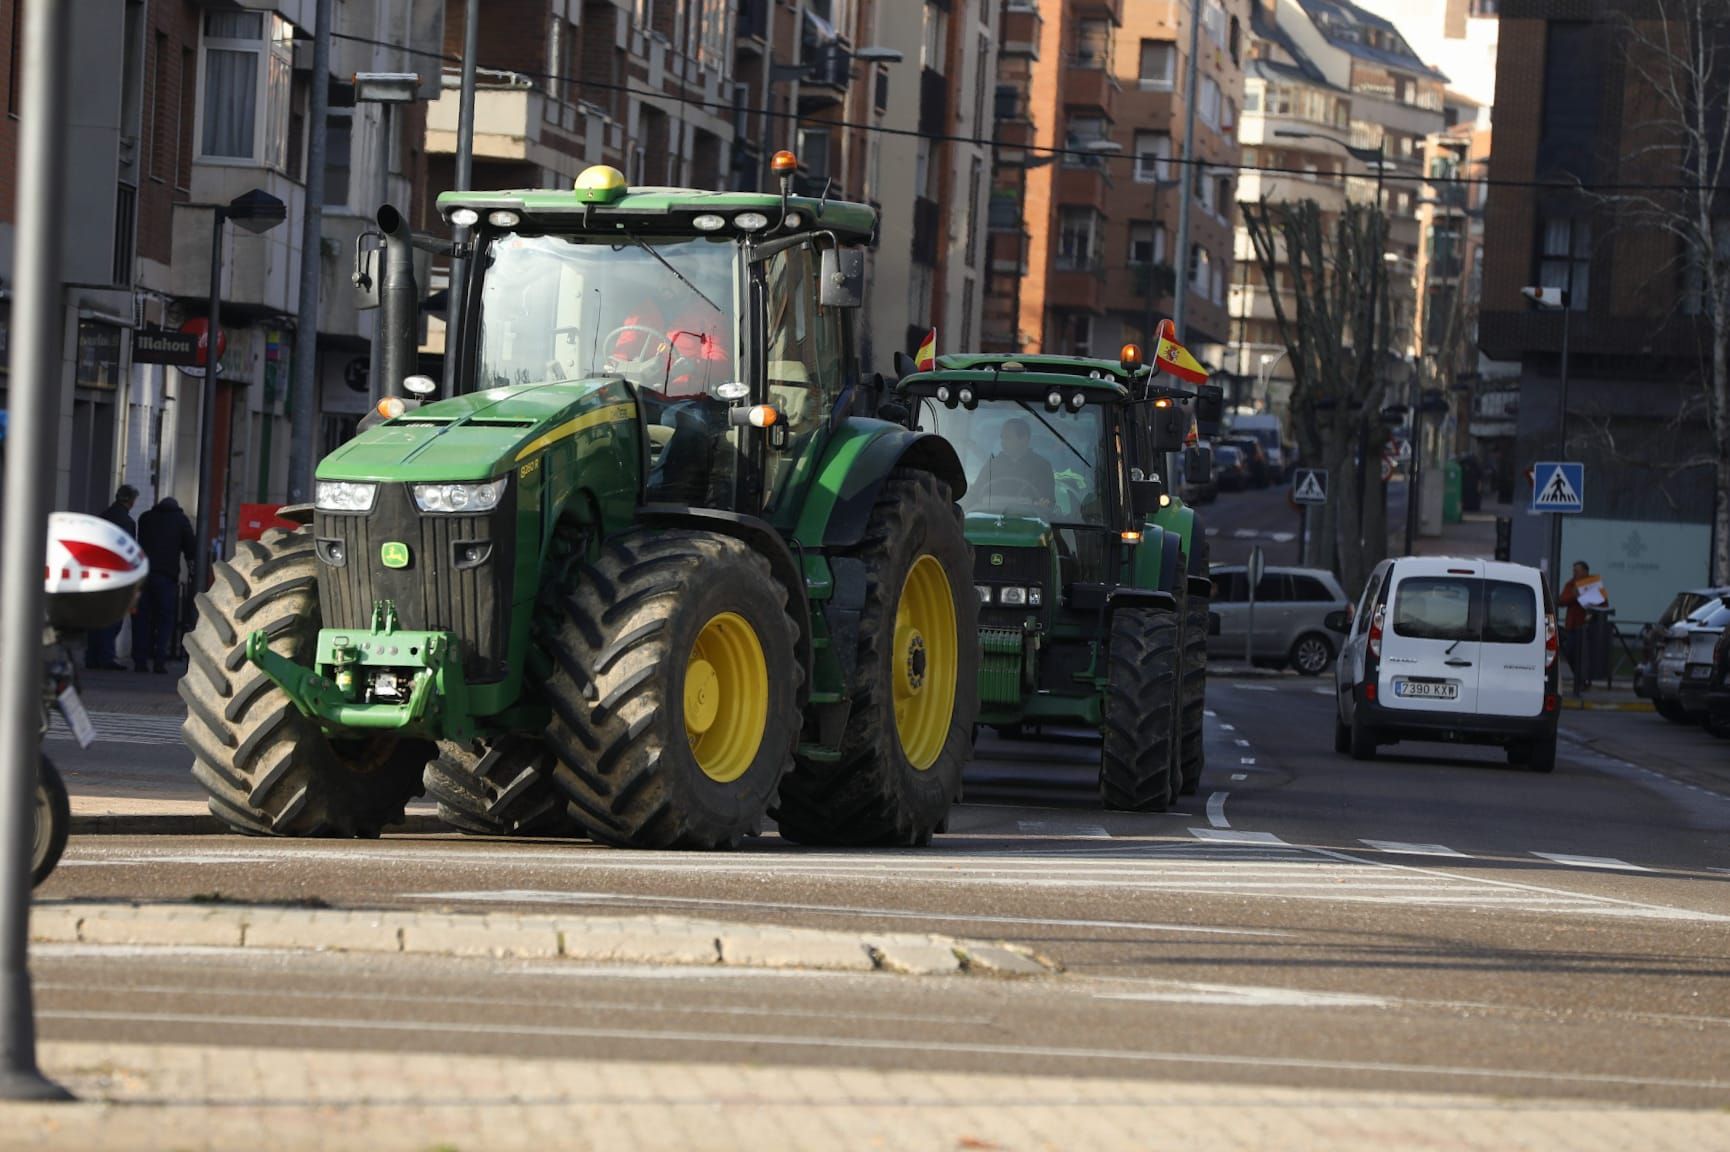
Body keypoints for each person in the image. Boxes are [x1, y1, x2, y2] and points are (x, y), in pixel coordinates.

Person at [134, 496, 195, 673]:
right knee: (165, 619)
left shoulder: (145, 518)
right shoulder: (180, 520)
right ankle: (160, 660)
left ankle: (140, 660)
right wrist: (191, 566)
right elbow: (191, 547)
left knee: (142, 619)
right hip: (166, 577)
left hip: (143, 576)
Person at [85, 484, 139, 670]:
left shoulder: (102, 518)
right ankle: (106, 657)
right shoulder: (127, 522)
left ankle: (91, 656)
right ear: (131, 501)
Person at [973, 418, 1056, 509]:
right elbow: (974, 494)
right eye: (1002, 438)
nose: (1002, 443)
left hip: (1028, 521)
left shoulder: (1042, 466)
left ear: (1024, 439)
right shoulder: (992, 465)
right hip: (991, 520)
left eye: (1007, 438)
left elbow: (1048, 502)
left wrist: (1042, 505)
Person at [1557, 560, 1608, 695]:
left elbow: (1604, 603)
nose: (1574, 573)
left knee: (1585, 656)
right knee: (1569, 651)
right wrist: (1575, 595)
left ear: (1585, 571)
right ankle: (1580, 678)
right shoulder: (1570, 584)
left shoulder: (1593, 584)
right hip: (1572, 626)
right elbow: (1561, 600)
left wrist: (1589, 598)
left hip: (1588, 627)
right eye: (1573, 570)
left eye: (1577, 570)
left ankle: (1583, 680)